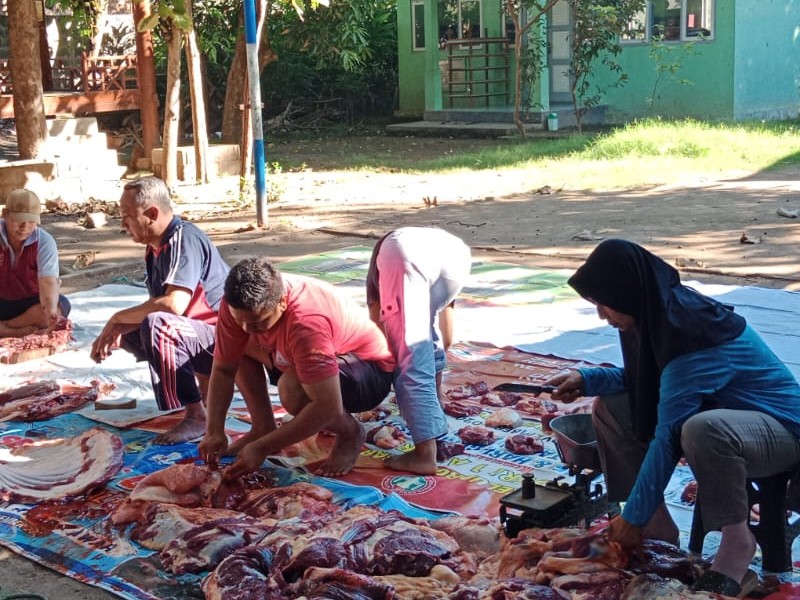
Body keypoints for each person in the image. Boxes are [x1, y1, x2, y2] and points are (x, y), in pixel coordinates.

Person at [545, 239, 800, 597]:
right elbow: (654, 379)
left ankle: (737, 542)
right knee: (611, 406)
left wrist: (631, 517)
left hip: (783, 431)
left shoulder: (692, 334)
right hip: (733, 419)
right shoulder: (659, 314)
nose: (602, 315)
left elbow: (667, 436)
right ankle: (657, 525)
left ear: (628, 294)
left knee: (701, 429)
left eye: (604, 304)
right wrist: (587, 379)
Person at [198, 257, 395, 479]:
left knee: (292, 390)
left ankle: (351, 433)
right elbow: (223, 369)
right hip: (301, 356)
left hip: (367, 370)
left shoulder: (305, 323)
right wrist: (214, 431)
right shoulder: (234, 304)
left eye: (258, 323)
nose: (246, 329)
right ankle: (263, 426)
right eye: (240, 321)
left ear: (282, 303)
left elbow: (327, 405)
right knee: (237, 347)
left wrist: (263, 447)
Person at [90, 176, 243, 445]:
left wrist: (116, 317)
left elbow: (174, 305)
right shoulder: (154, 249)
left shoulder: (183, 238)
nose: (122, 225)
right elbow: (161, 306)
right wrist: (118, 328)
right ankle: (203, 393)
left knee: (158, 325)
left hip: (228, 340)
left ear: (151, 214)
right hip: (201, 335)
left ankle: (196, 416)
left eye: (127, 217)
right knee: (133, 330)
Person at [365, 227, 471, 475]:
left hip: (407, 254)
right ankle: (434, 409)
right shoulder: (419, 244)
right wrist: (441, 353)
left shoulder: (391, 255)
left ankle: (424, 454)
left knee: (409, 354)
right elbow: (444, 319)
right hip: (457, 255)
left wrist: (391, 367)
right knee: (424, 329)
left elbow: (377, 317)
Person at [0, 189, 71, 337]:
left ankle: (6, 328)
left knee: (59, 306)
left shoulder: (44, 241)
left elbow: (48, 282)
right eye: (19, 220)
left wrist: (50, 312)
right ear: (5, 214)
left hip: (29, 305)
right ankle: (12, 331)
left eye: (31, 222)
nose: (24, 227)